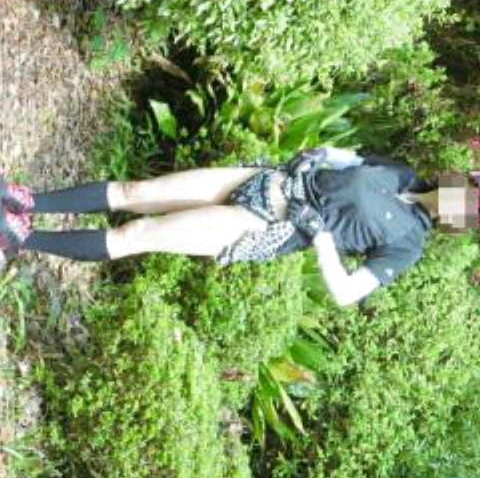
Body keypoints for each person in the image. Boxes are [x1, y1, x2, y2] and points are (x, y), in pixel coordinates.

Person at [0, 148, 478, 307]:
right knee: (135, 191)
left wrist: (321, 237)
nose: (465, 192)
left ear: (462, 220)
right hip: (269, 180)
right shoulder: (401, 174)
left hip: (270, 224)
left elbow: (346, 291)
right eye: (472, 185)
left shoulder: (409, 244)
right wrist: (318, 155)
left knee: (136, 235)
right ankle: (29, 201)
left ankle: (22, 237)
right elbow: (347, 158)